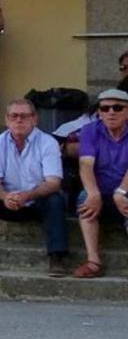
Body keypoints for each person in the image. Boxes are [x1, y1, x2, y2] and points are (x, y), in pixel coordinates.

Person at [0, 99, 68, 277]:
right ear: (7, 120)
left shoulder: (48, 143)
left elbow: (54, 182)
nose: (18, 120)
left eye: (24, 116)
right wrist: (5, 196)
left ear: (35, 119)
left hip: (37, 202)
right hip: (9, 202)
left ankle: (57, 257)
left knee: (55, 200)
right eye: (13, 116)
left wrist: (27, 196)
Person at [71, 88, 128, 278]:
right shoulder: (90, 131)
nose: (111, 112)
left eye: (118, 107)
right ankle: (93, 262)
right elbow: (86, 164)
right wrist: (93, 193)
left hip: (125, 189)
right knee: (85, 199)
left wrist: (121, 192)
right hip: (101, 189)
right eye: (105, 108)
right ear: (99, 113)